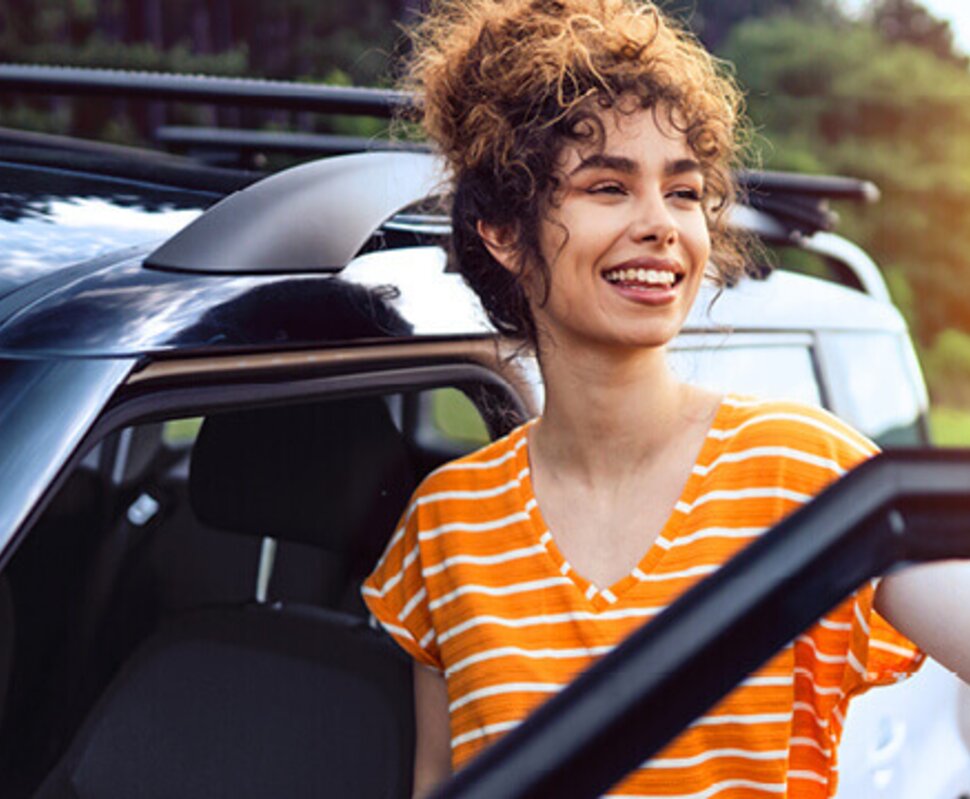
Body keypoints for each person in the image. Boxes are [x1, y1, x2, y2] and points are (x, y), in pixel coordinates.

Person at [362, 1, 970, 796]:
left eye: (683, 193)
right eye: (608, 186)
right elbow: (436, 782)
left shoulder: (803, 468)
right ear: (505, 231)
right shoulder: (447, 523)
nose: (660, 225)